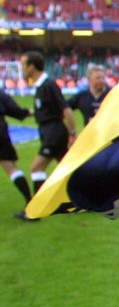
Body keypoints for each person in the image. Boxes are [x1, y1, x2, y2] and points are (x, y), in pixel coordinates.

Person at [15, 50, 76, 220]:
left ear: (32, 66)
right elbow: (45, 110)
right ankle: (84, 200)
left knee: (36, 167)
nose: (22, 68)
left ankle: (36, 210)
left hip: (54, 133)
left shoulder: (48, 85)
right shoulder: (41, 86)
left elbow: (66, 109)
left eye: (24, 64)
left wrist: (72, 132)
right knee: (67, 170)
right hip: (49, 131)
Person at [0, 88, 35, 209]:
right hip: (1, 134)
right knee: (12, 169)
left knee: (11, 169)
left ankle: (30, 201)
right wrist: (35, 111)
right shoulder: (1, 94)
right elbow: (16, 111)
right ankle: (29, 200)